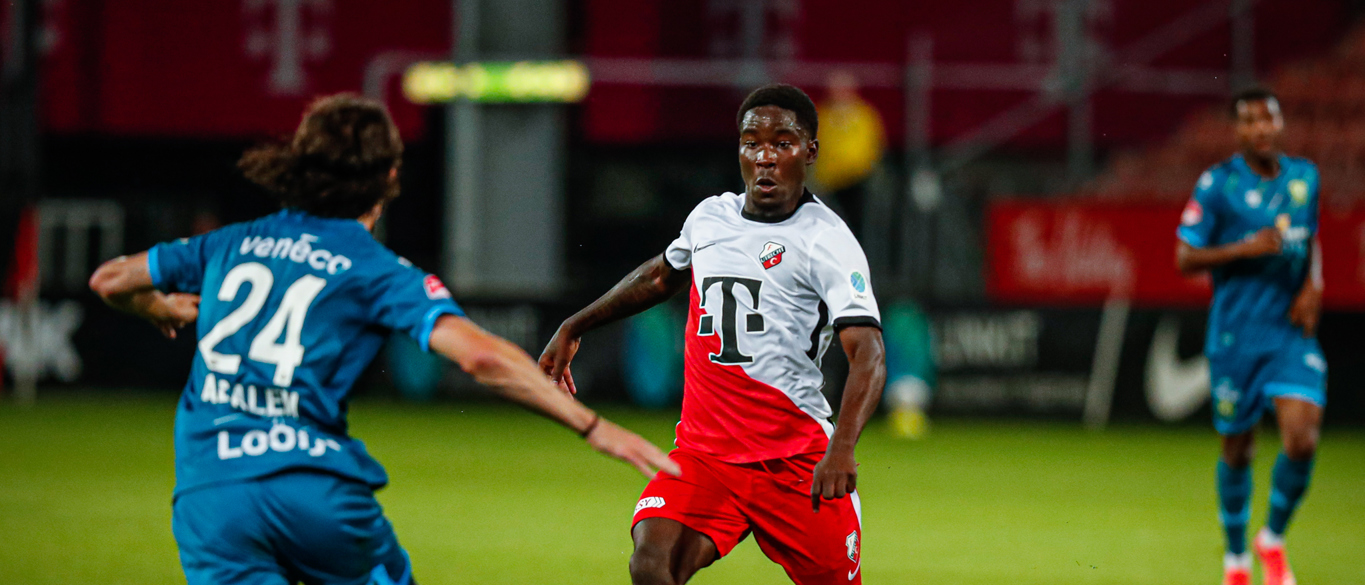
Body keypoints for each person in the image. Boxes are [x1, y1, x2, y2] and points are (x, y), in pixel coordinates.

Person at [88, 94, 677, 585]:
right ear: (390, 177)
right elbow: (479, 355)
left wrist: (158, 305)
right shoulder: (375, 269)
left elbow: (110, 280)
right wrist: (593, 427)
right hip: (312, 491)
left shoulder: (228, 243)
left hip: (210, 496)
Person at [540, 84, 887, 585]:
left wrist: (843, 448)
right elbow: (660, 276)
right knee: (652, 563)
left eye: (782, 143)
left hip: (794, 461)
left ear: (810, 152)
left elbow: (868, 352)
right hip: (705, 457)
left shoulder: (827, 240)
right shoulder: (710, 217)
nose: (765, 157)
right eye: (752, 142)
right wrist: (575, 325)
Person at [1175, 87, 1325, 585]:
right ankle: (1237, 559)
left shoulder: (1305, 177)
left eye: (1268, 119)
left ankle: (1272, 539)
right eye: (1250, 121)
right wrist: (1244, 248)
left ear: (1280, 124)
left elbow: (1310, 239)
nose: (1261, 128)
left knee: (1302, 439)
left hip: (1288, 332)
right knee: (1238, 449)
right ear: (1237, 130)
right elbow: (1184, 258)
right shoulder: (1218, 185)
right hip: (1235, 337)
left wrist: (1314, 284)